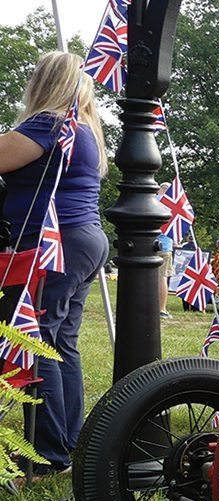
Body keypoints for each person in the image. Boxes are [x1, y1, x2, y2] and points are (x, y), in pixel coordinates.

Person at [0, 52, 110, 476]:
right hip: (84, 239)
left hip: (52, 244)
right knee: (62, 343)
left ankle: (49, 455)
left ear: (43, 82)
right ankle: (69, 443)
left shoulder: (48, 123)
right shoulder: (84, 129)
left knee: (37, 340)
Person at [157, 182, 174, 319]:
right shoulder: (173, 206)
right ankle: (162, 309)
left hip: (149, 244)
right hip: (165, 245)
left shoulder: (153, 201)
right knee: (162, 277)